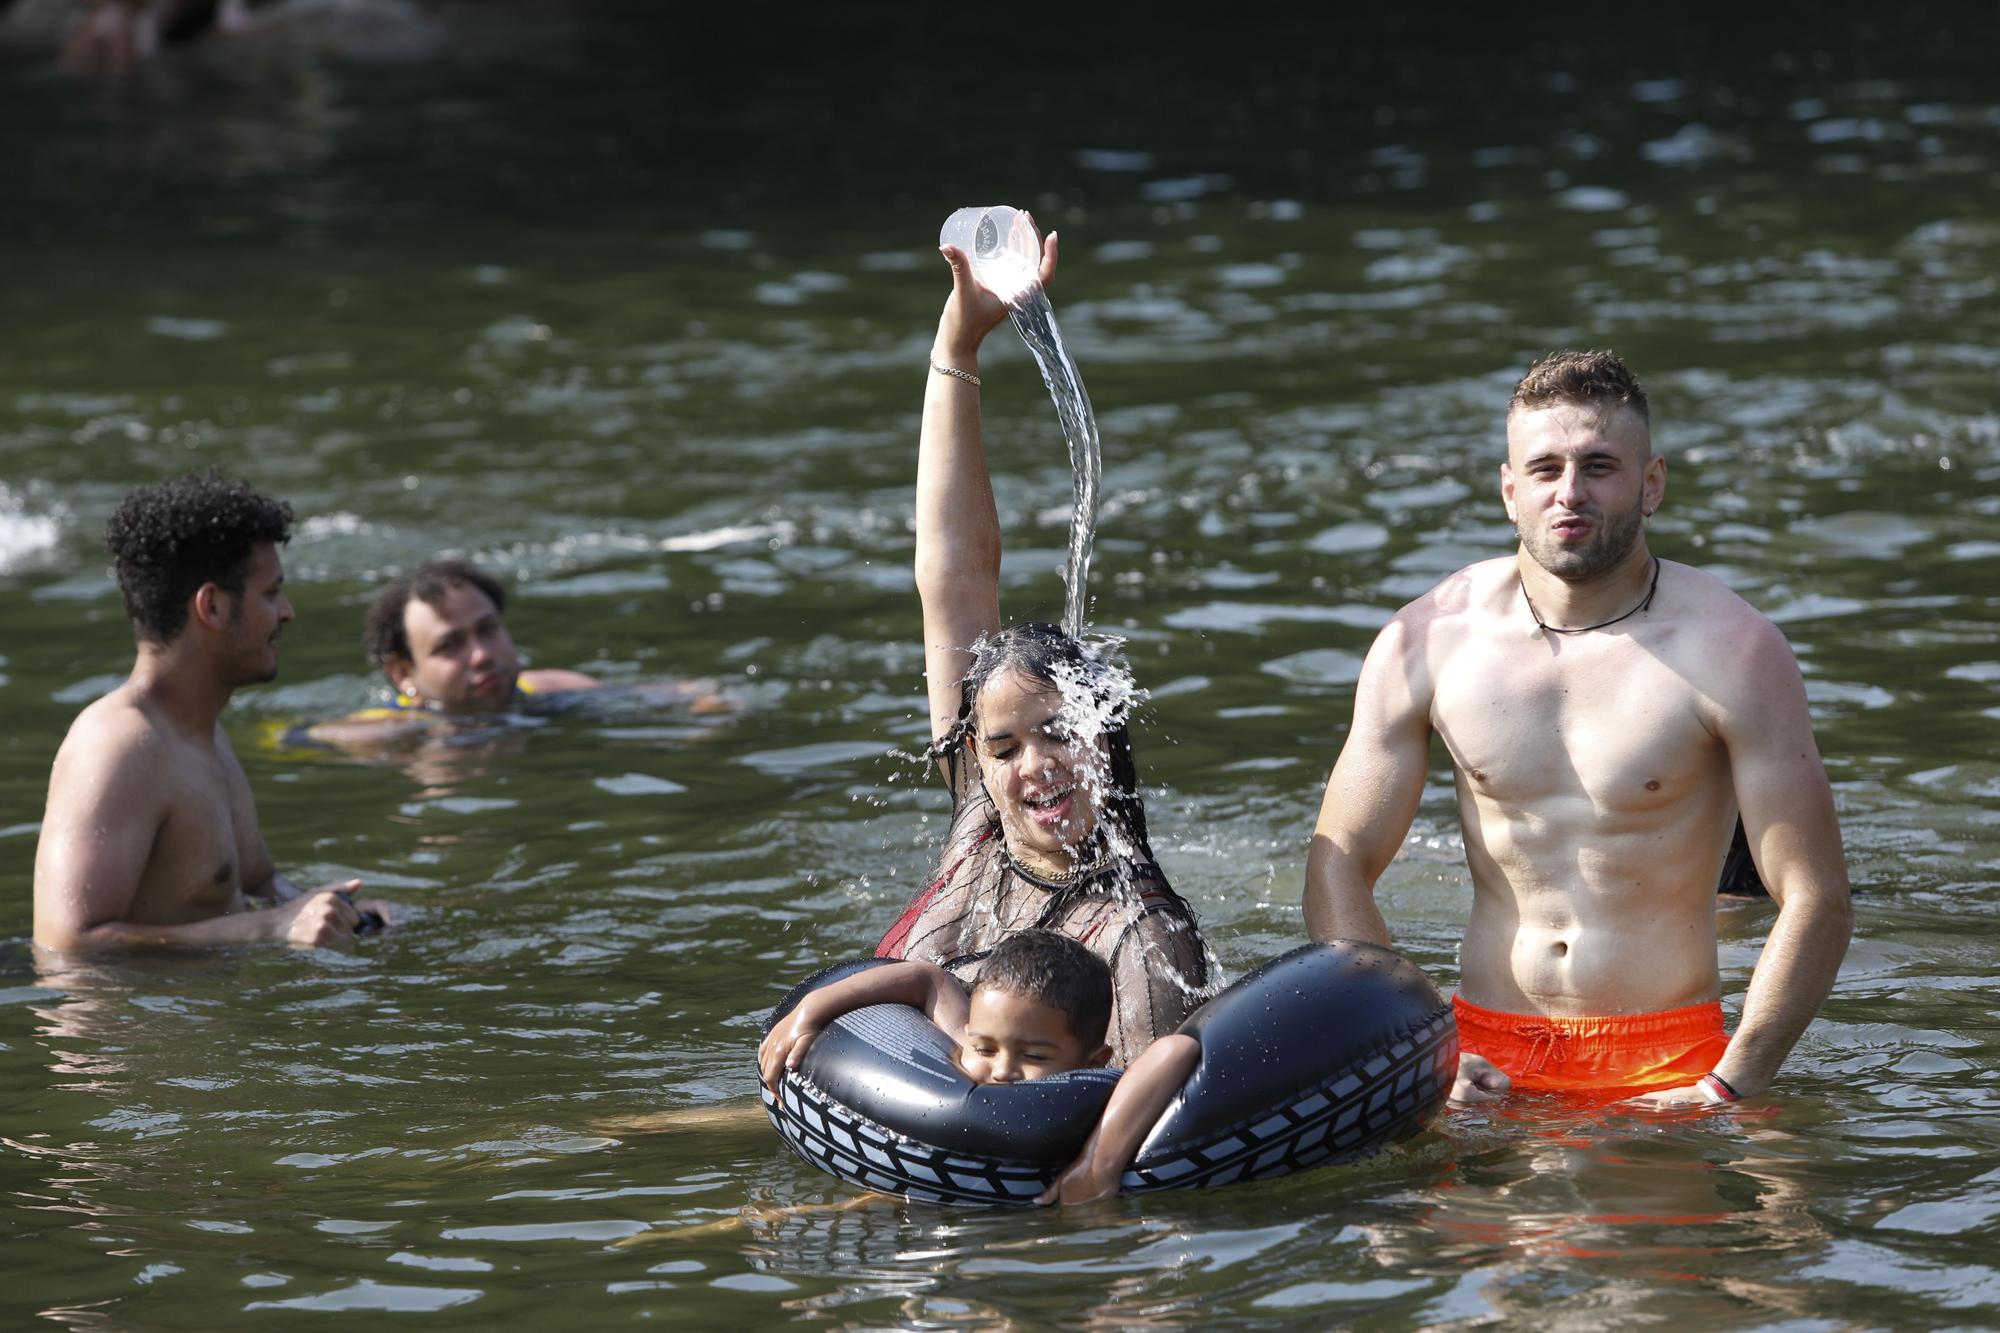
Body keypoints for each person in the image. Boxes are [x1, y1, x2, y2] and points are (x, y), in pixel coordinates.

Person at [1303, 350, 1852, 1108]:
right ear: (1508, 489)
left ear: (1651, 482)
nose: (1570, 492)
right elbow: (1339, 862)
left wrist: (1731, 1083)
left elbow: (1817, 893)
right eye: (1545, 468)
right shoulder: (1427, 639)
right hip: (1475, 1060)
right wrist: (1416, 1050)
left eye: (1599, 466)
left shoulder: (1735, 650)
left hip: (1668, 1060)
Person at [873, 226, 1212, 1066]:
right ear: (976, 761)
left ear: (1103, 731)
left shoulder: (1143, 938)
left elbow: (1133, 1135)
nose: (1033, 766)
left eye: (1059, 731)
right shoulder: (979, 825)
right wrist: (958, 342)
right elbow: (952, 577)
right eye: (1003, 746)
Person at [34, 471, 390, 952]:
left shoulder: (205, 736)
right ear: (213, 607)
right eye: (271, 593)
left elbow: (262, 888)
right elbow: (66, 945)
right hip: (129, 1028)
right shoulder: (118, 746)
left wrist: (339, 912)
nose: (287, 612)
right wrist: (272, 929)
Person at [760, 929, 1198, 1207]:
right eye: (985, 1047)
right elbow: (928, 979)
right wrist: (811, 1011)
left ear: (1093, 1061)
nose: (1001, 1070)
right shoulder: (960, 1049)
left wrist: (1096, 1165)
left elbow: (1174, 1049)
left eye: (1035, 1056)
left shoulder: (1094, 1095)